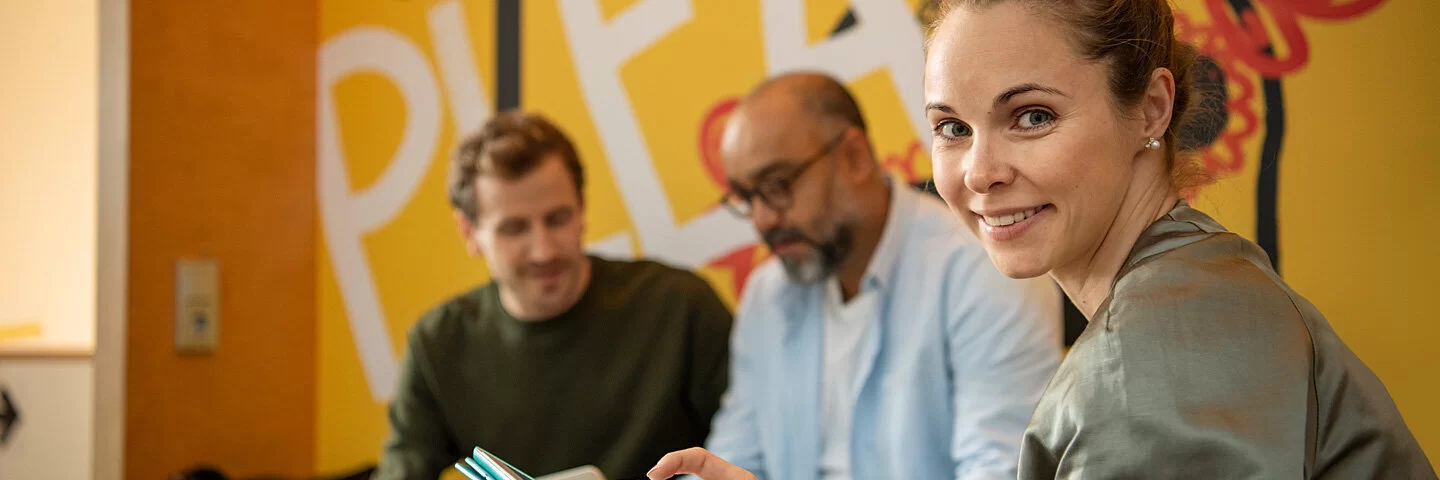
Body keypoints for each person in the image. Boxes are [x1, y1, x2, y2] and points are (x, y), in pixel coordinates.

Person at [920, 0, 1433, 478]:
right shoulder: (1192, 293)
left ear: (1151, 108)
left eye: (1033, 117)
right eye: (952, 127)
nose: (979, 173)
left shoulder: (1151, 355)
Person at [664, 72, 1063, 480]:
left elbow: (1000, 470)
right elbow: (735, 456)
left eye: (777, 185)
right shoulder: (768, 295)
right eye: (746, 197)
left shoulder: (980, 270)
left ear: (853, 157)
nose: (763, 218)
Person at [375, 111, 734, 480]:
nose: (543, 250)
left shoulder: (680, 307)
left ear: (582, 210)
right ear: (469, 232)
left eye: (557, 219)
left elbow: (750, 450)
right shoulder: (439, 343)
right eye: (514, 229)